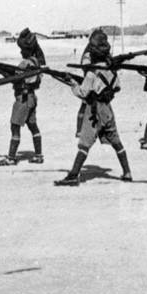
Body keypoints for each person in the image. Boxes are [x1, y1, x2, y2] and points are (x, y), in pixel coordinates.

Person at [55, 32, 132, 186]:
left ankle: (73, 175)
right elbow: (117, 87)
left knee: (84, 143)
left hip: (94, 111)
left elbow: (82, 93)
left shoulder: (91, 73)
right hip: (108, 109)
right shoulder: (112, 70)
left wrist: (72, 83)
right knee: (116, 141)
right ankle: (127, 172)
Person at [0, 28, 45, 165]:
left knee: (15, 127)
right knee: (33, 126)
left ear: (27, 50)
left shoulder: (25, 63)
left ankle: (11, 158)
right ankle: (38, 155)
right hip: (32, 98)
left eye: (22, 49)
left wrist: (1, 72)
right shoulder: (36, 61)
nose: (20, 52)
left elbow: (16, 79)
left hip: (22, 98)